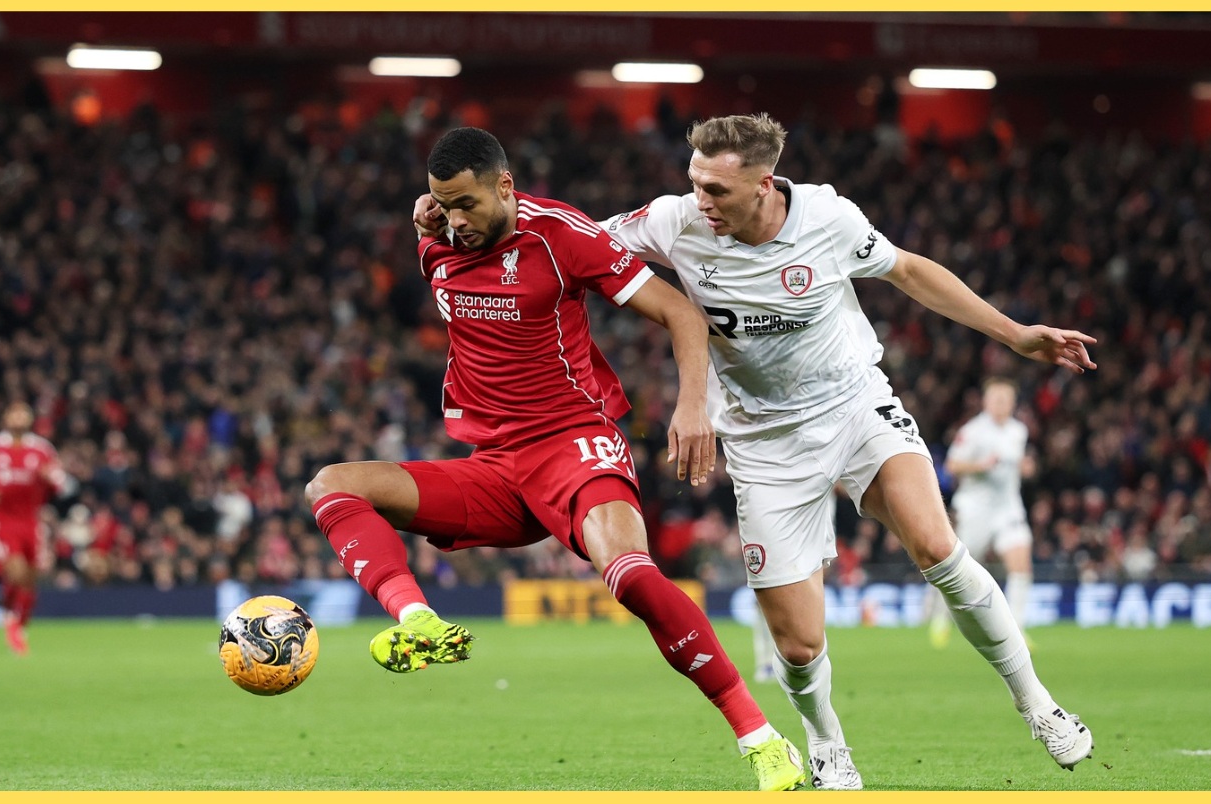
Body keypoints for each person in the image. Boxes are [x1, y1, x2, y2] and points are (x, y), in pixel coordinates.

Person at [419, 113, 1095, 788]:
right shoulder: (671, 220)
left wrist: (1013, 335)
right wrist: (448, 216)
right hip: (763, 441)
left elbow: (910, 272)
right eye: (695, 185)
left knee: (936, 548)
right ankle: (827, 742)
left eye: (716, 191)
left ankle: (1038, 704)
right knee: (798, 644)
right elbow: (559, 236)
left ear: (763, 184)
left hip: (853, 405)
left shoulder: (826, 218)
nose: (701, 202)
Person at [307, 127, 806, 791]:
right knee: (333, 486)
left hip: (572, 444)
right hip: (493, 464)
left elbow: (682, 314)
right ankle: (418, 621)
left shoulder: (559, 235)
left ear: (505, 187)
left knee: (630, 576)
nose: (455, 222)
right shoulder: (437, 240)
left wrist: (693, 409)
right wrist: (428, 217)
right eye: (442, 206)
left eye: (467, 205)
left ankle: (761, 739)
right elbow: (434, 223)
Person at [928, 378, 1038, 649]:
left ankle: (1018, 630)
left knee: (1021, 563)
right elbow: (952, 465)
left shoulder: (1018, 431)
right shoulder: (973, 431)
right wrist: (981, 465)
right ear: (986, 401)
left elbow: (1021, 466)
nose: (1002, 404)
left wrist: (1026, 468)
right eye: (997, 399)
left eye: (1007, 399)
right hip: (976, 509)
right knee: (959, 570)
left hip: (1008, 508)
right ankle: (941, 619)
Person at [0, 402, 67, 654]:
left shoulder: (42, 449)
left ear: (29, 418)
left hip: (32, 520)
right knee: (16, 570)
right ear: (6, 417)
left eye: (23, 413)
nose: (19, 417)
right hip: (1, 520)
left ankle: (17, 622)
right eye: (14, 412)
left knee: (30, 580)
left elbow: (60, 485)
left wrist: (49, 479)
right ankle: (12, 624)